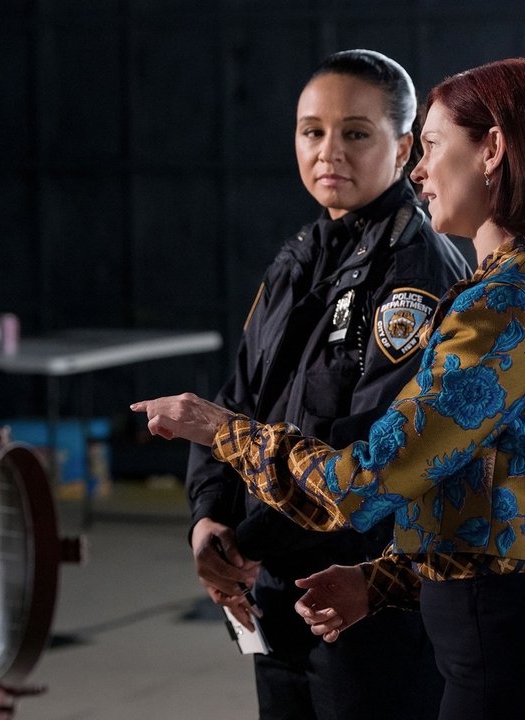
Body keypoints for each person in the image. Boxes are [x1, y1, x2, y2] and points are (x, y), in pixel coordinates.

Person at [134, 57, 525, 720]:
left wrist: (217, 429)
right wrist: (383, 581)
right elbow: (491, 503)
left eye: (431, 145)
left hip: (508, 647)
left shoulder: (499, 304)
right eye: (311, 131)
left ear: (492, 151)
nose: (420, 171)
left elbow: (362, 482)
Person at [184, 49, 465, 719]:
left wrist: (244, 545)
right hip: (274, 589)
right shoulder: (300, 258)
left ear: (404, 148)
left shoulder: (416, 272)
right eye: (312, 131)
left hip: (365, 600)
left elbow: (372, 453)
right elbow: (237, 401)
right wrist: (209, 519)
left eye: (356, 133)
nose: (328, 151)